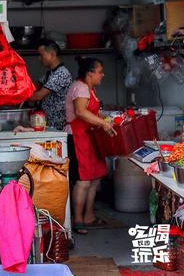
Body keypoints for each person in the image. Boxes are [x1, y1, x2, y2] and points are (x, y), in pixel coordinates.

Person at [65, 57, 115, 235]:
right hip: (78, 138)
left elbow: (92, 112)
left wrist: (104, 121)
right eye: (100, 72)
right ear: (90, 74)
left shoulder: (89, 89)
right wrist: (103, 123)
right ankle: (78, 220)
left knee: (94, 179)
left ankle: (89, 216)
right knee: (83, 181)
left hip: (89, 137)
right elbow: (80, 112)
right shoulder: (80, 88)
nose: (102, 75)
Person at [27, 40, 72, 130]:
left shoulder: (61, 74)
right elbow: (35, 86)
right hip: (49, 123)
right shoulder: (51, 73)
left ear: (52, 54)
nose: (39, 59)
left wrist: (19, 99)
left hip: (58, 125)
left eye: (41, 55)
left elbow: (39, 96)